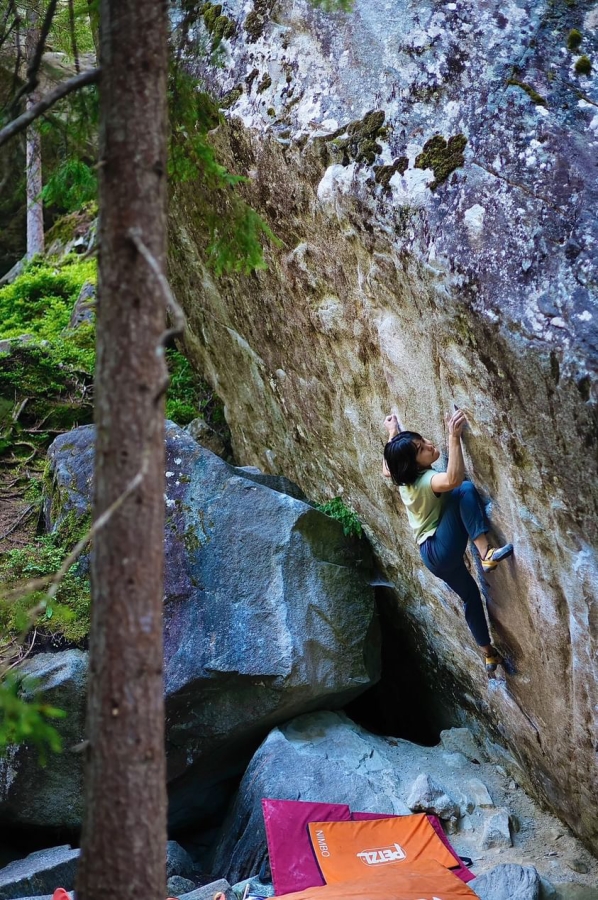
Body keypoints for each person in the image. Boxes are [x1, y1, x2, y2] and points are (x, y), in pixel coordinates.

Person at [382, 410, 513, 674]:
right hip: (440, 547)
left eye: (424, 441)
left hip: (431, 557)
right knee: (462, 489)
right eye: (422, 449)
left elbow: (387, 468)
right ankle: (486, 552)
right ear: (414, 465)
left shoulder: (402, 478)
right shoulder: (424, 481)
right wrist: (454, 437)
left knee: (470, 597)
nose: (430, 446)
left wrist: (393, 432)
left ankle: (488, 654)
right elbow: (453, 479)